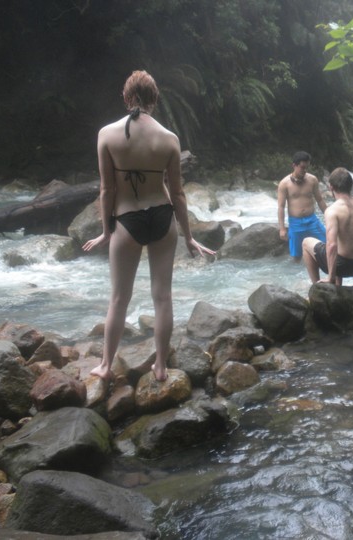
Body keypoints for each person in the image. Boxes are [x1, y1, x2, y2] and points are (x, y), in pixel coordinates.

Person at [83, 70, 214, 383]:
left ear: (126, 97)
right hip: (163, 218)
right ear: (155, 99)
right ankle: (161, 367)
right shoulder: (169, 138)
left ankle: (105, 366)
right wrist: (189, 236)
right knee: (163, 297)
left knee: (119, 298)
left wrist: (105, 231)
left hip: (127, 220)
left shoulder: (107, 134)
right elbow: (178, 193)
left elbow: (107, 189)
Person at [277, 151, 328, 260]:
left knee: (328, 244)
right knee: (297, 256)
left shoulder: (312, 180)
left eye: (306, 168)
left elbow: (320, 200)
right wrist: (282, 228)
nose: (304, 170)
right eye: (302, 167)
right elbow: (281, 207)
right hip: (295, 223)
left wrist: (329, 216)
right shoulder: (284, 184)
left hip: (312, 220)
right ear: (294, 165)